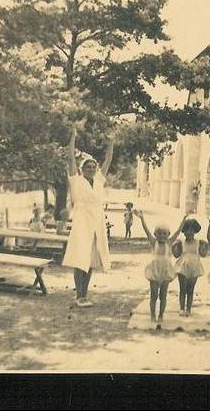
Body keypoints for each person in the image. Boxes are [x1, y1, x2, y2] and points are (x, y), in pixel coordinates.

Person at [63, 127, 114, 308]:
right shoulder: (76, 180)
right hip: (82, 223)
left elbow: (108, 160)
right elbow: (70, 158)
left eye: (93, 167)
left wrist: (111, 142)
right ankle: (79, 295)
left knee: (92, 259)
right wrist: (73, 138)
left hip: (97, 223)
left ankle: (85, 294)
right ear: (82, 169)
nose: (91, 169)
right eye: (88, 167)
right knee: (80, 259)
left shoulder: (99, 181)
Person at [135, 210, 187, 326]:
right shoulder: (154, 243)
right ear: (155, 234)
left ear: (168, 234)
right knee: (154, 294)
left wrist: (184, 219)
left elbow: (178, 232)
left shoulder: (169, 243)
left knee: (163, 295)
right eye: (159, 233)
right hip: (154, 270)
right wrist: (142, 218)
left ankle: (161, 315)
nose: (162, 236)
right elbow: (146, 231)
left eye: (164, 234)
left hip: (165, 271)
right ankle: (153, 314)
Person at [173, 217, 205, 317]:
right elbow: (176, 255)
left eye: (191, 230)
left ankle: (189, 309)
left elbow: (203, 254)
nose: (189, 232)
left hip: (194, 267)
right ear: (183, 231)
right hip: (183, 267)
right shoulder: (181, 242)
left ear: (195, 231)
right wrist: (174, 246)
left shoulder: (198, 243)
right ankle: (182, 308)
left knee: (190, 289)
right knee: (182, 288)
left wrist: (205, 246)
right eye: (186, 230)